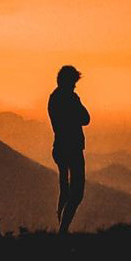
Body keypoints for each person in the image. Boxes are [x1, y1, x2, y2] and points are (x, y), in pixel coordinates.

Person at [47, 65, 90, 234]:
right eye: (73, 83)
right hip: (72, 148)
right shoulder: (70, 98)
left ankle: (60, 228)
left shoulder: (54, 98)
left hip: (59, 147)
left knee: (65, 189)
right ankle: (63, 229)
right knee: (77, 191)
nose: (74, 86)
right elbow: (86, 118)